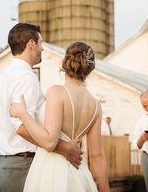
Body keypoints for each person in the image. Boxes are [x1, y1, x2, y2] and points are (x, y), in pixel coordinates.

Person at [0, 23, 82, 192]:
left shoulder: (3, 76)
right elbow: (21, 127)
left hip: (4, 165)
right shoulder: (26, 77)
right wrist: (64, 148)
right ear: (31, 44)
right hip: (21, 166)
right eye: (41, 43)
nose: (43, 49)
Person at [10, 41, 110, 192]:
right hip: (80, 174)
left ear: (65, 63)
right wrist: (105, 189)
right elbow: (97, 155)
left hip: (50, 174)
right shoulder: (95, 105)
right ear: (90, 69)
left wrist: (23, 114)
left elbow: (50, 142)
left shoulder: (57, 92)